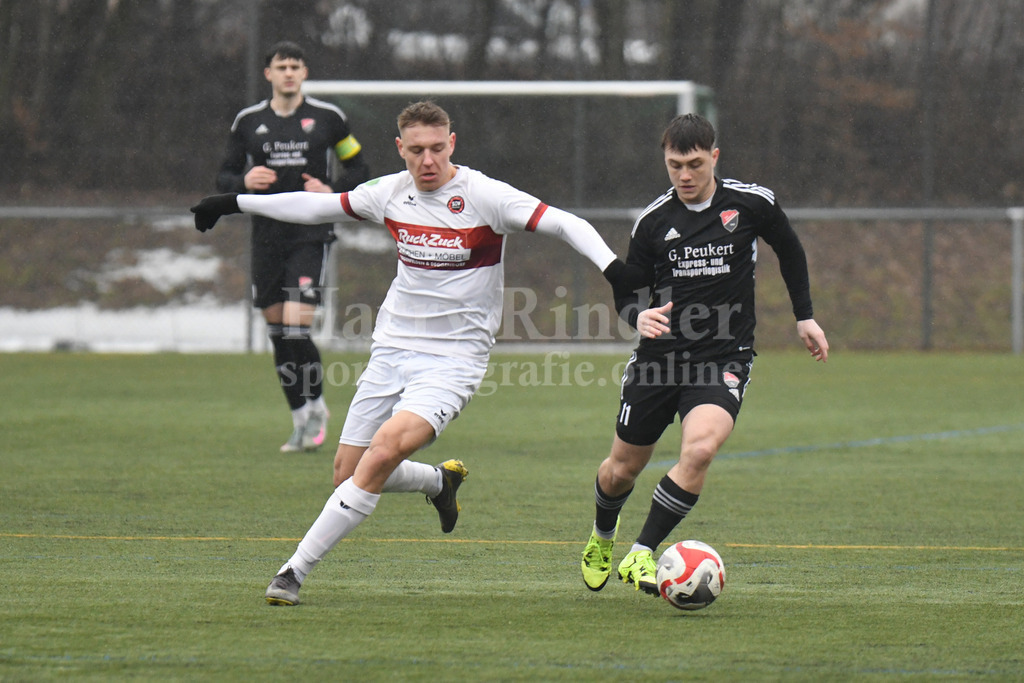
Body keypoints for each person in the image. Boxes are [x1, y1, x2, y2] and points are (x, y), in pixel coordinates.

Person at [192, 100, 640, 606]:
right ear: (400, 149)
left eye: (437, 148)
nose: (427, 161)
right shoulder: (390, 193)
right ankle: (437, 482)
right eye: (416, 151)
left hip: (455, 359)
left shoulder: (483, 195)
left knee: (382, 453)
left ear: (452, 144)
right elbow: (314, 205)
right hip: (392, 347)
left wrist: (614, 271)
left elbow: (564, 223)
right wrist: (232, 202)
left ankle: (293, 571)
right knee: (348, 471)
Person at [579, 113, 829, 595]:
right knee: (620, 470)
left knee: (700, 449)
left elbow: (790, 250)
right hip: (659, 361)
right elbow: (629, 290)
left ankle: (641, 553)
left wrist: (804, 315)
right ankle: (601, 537)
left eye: (694, 164)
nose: (685, 175)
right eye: (675, 165)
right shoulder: (653, 222)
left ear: (714, 157)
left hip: (724, 356)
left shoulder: (751, 203)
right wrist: (637, 316)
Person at [213, 40, 370, 453]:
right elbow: (225, 176)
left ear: (304, 73)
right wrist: (243, 183)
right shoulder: (248, 122)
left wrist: (332, 188)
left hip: (309, 233)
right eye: (280, 66)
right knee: (278, 333)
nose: (288, 73)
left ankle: (317, 405)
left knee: (298, 327)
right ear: (268, 74)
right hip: (266, 236)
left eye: (295, 66)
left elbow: (359, 169)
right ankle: (300, 419)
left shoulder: (328, 120)